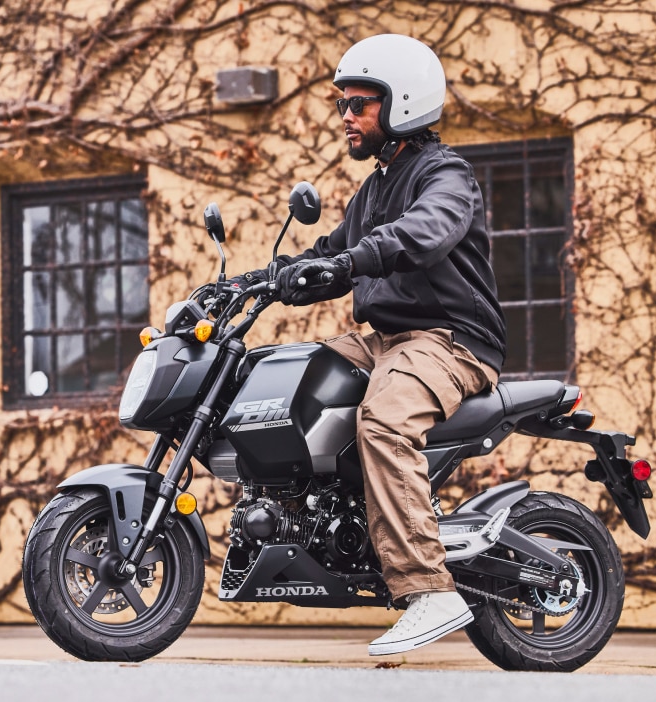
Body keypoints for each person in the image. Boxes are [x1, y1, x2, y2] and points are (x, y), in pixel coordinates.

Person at [236, 34, 507, 655]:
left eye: (359, 105)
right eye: (342, 106)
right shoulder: (374, 189)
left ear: (403, 104)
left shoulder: (445, 175)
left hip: (450, 340)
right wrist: (260, 282)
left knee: (381, 421)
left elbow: (424, 233)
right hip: (385, 340)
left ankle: (430, 590)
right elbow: (329, 255)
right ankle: (335, 527)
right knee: (290, 381)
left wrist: (351, 261)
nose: (347, 119)